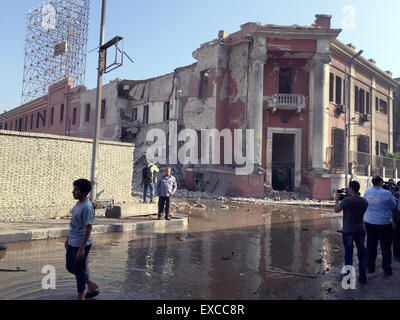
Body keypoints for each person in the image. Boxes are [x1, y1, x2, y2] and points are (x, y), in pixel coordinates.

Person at [65, 179, 99, 300]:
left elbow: (88, 228)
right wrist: (68, 238)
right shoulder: (78, 203)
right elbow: (74, 223)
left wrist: (82, 249)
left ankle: (81, 295)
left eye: (76, 190)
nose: (73, 192)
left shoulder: (87, 207)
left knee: (79, 270)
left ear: (84, 192)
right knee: (70, 267)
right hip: (72, 241)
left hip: (81, 243)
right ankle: (90, 284)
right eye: (74, 189)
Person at [334, 180, 369, 284]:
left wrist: (336, 200)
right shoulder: (364, 201)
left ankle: (348, 278)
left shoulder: (347, 201)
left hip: (348, 231)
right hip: (360, 229)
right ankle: (363, 277)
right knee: (362, 254)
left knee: (349, 254)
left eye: (349, 188)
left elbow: (336, 209)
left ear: (351, 189)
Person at [363, 176, 397, 276]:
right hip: (384, 223)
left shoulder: (367, 192)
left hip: (370, 222)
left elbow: (365, 204)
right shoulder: (386, 193)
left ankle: (370, 267)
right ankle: (386, 269)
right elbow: (394, 205)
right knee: (386, 247)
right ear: (381, 182)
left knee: (371, 245)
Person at [392, 181, 400, 262]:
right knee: (396, 238)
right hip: (397, 219)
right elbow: (393, 209)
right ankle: (396, 255)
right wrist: (393, 220)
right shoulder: (396, 195)